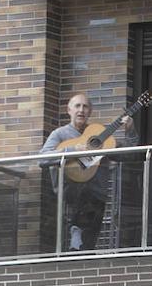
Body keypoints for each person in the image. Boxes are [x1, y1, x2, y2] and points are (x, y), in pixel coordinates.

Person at [40, 92, 135, 251]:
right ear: (68, 110)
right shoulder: (60, 134)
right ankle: (76, 236)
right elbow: (43, 158)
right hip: (70, 189)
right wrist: (73, 150)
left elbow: (130, 154)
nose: (81, 110)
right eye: (77, 106)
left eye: (85, 107)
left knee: (90, 239)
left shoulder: (98, 134)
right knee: (85, 196)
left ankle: (80, 252)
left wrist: (131, 130)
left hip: (97, 194)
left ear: (90, 111)